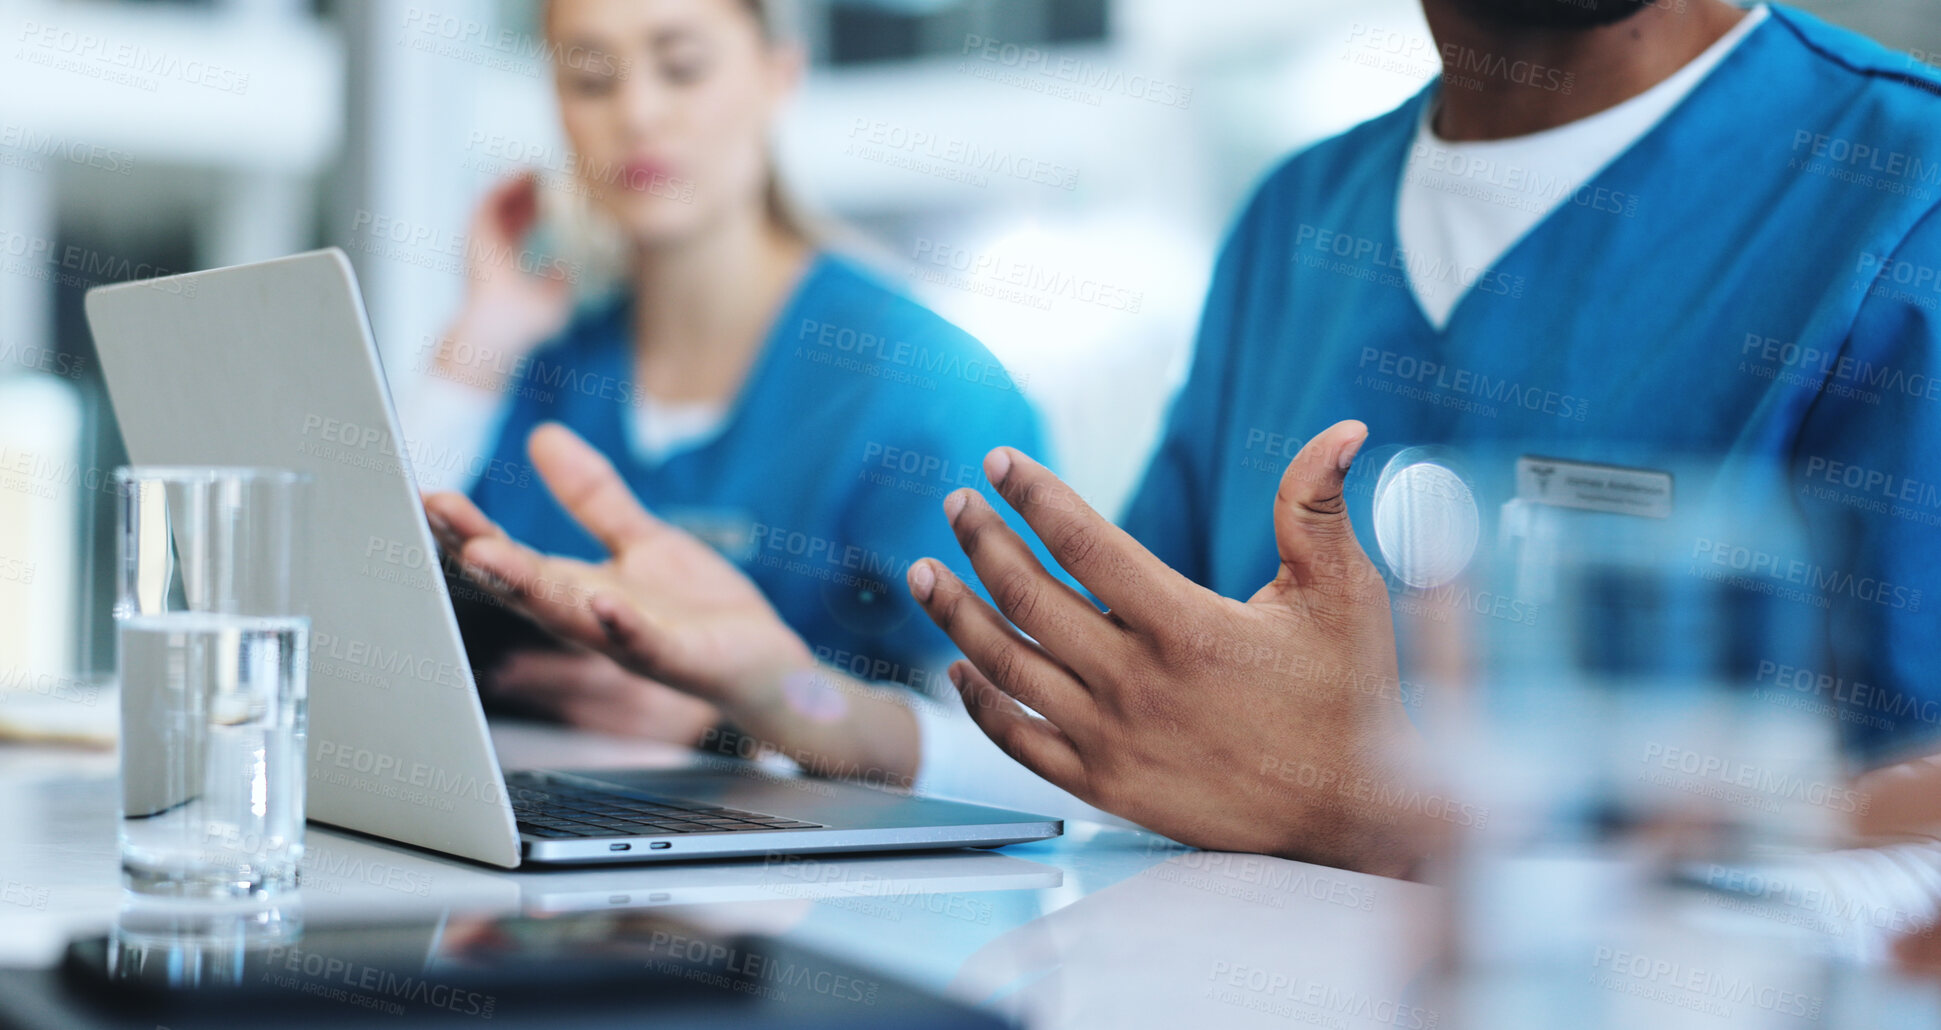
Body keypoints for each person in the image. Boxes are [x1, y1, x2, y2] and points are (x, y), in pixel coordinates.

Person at [429, 0, 1941, 874]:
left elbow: (1902, 867)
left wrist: (1368, 799)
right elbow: (1126, 735)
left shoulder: (1895, 202)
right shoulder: (1300, 222)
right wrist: (792, 697)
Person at [407, 0, 1048, 748]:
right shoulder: (537, 373)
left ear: (779, 75)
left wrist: (732, 730)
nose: (637, 112)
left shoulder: (933, 390)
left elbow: (1032, 752)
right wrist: (478, 341)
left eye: (682, 67)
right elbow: (365, 608)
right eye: (588, 79)